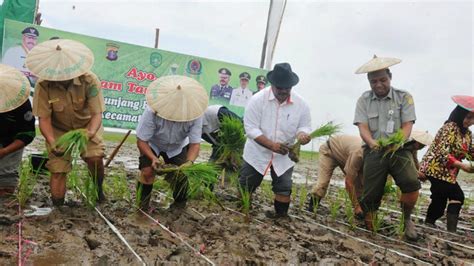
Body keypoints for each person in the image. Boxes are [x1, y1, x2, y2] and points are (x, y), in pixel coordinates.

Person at [30, 39, 106, 206]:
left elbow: (96, 114)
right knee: (58, 170)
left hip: (87, 126)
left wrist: (90, 133)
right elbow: (44, 118)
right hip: (57, 130)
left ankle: (99, 189)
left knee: (94, 158)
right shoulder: (43, 85)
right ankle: (58, 207)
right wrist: (52, 141)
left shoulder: (89, 80)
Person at [353, 55, 420, 240]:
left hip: (400, 149)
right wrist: (372, 142)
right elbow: (362, 127)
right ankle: (371, 231)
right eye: (373, 81)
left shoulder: (404, 97)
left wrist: (399, 140)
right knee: (370, 193)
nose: (378, 84)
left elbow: (407, 125)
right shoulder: (364, 100)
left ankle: (407, 220)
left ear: (390, 77)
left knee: (411, 183)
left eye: (382, 79)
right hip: (374, 150)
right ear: (369, 82)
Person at [239, 62, 311, 218]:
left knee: (284, 187)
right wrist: (271, 145)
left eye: (287, 88)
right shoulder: (257, 100)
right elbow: (251, 128)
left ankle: (281, 218)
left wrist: (302, 135)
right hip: (257, 152)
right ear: (272, 84)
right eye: (280, 87)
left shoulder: (301, 104)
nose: (284, 91)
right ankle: (243, 212)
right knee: (246, 185)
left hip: (284, 155)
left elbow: (304, 126)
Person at [307, 131, 433, 219]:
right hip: (330, 150)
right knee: (322, 183)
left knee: (363, 187)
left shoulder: (386, 154)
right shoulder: (359, 153)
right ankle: (311, 207)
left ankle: (363, 212)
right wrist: (356, 207)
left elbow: (412, 167)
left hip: (347, 154)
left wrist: (419, 174)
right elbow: (348, 182)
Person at [135, 75, 207, 210]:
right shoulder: (152, 111)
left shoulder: (195, 114)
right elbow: (142, 141)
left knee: (180, 176)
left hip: (177, 146)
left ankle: (179, 207)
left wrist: (189, 162)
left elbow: (195, 144)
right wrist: (153, 158)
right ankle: (142, 206)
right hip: (153, 144)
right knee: (147, 171)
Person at [419, 95, 474, 233]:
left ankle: (429, 223)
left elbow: (470, 152)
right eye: (468, 117)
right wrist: (461, 165)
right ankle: (451, 232)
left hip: (448, 173)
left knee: (439, 200)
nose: (470, 121)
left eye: (473, 118)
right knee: (457, 196)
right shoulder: (449, 127)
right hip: (435, 168)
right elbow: (442, 152)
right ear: (460, 114)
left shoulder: (467, 134)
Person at [0, 64, 35, 196]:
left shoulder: (21, 103)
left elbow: (27, 133)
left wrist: (4, 151)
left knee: (5, 187)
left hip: (10, 144)